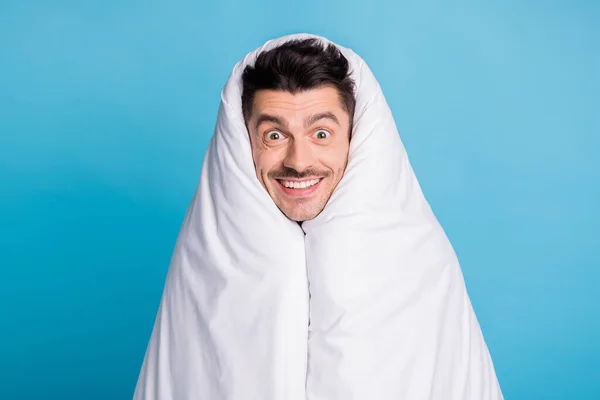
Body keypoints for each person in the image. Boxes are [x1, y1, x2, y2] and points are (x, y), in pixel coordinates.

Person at [134, 33, 503, 400]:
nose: (299, 161)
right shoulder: (203, 266)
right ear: (241, 140)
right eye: (275, 135)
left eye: (321, 133)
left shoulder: (424, 267)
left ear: (356, 138)